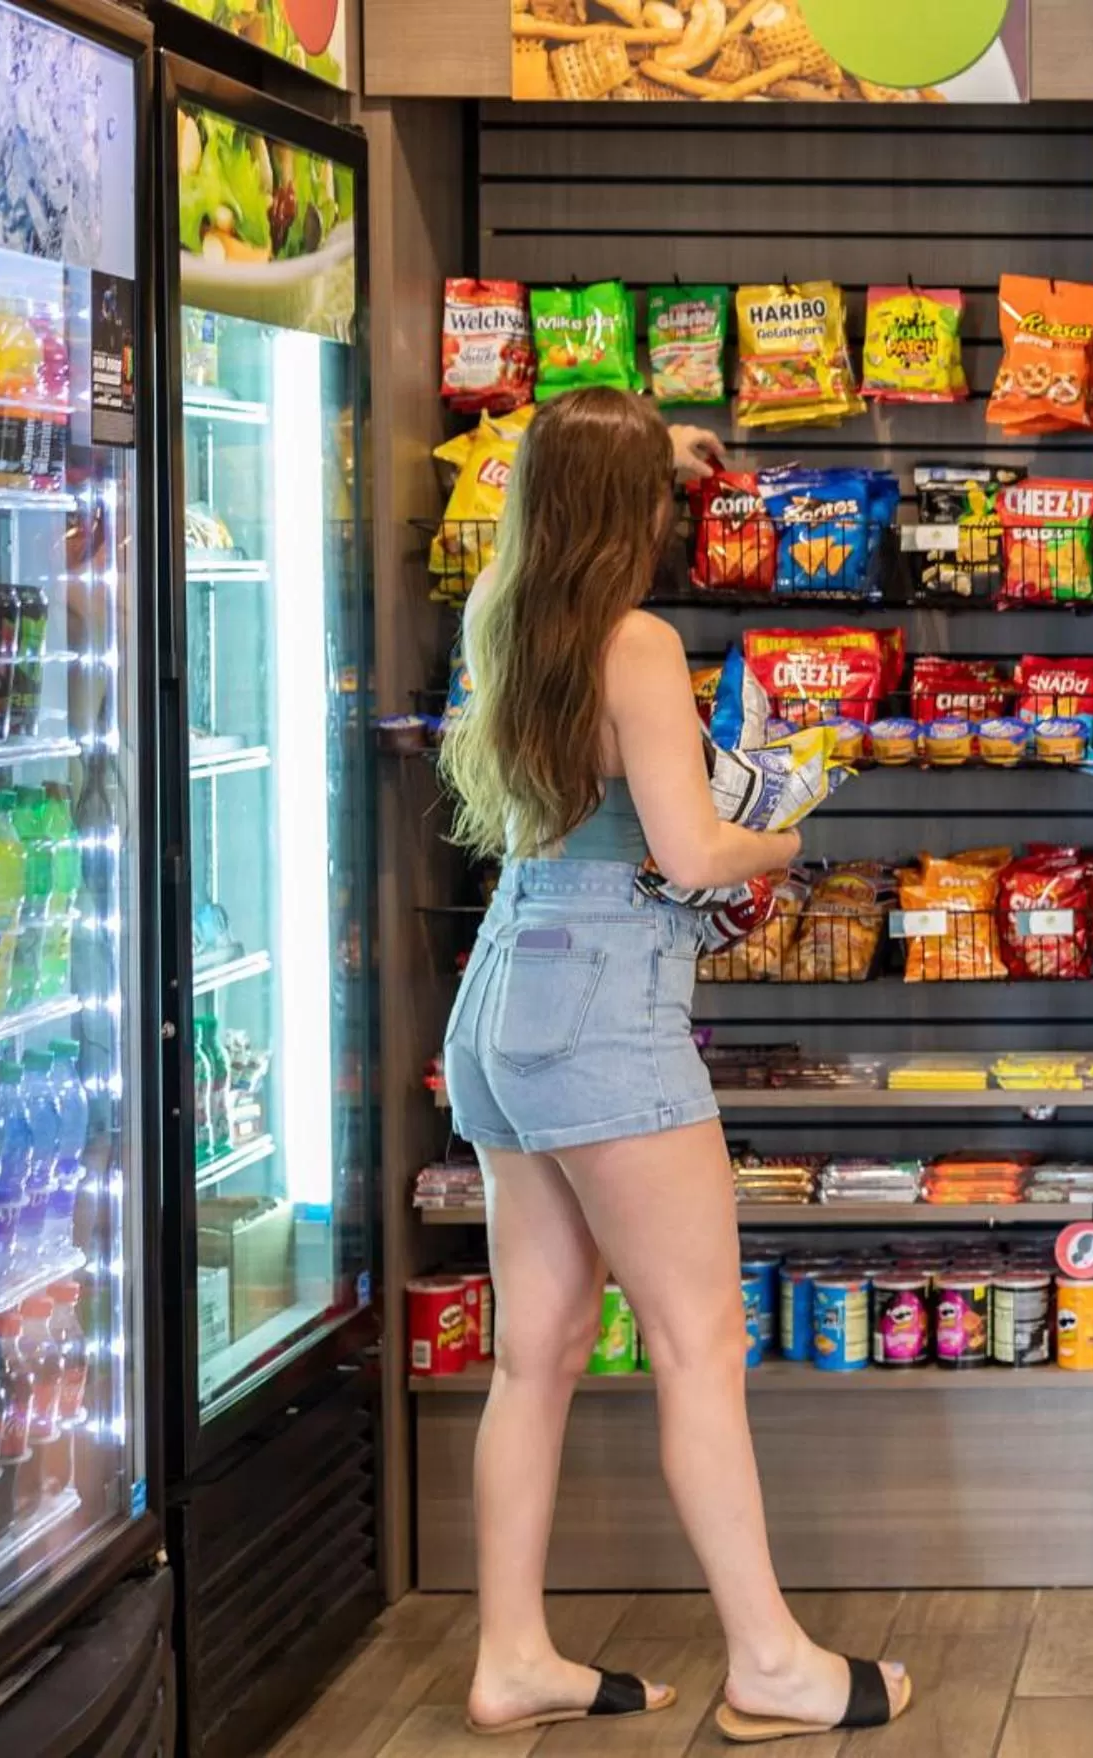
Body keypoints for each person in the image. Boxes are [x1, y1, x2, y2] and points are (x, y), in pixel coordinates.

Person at [437, 387, 912, 1744]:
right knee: (701, 1345)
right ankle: (771, 1660)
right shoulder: (635, 643)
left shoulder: (505, 610)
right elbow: (695, 856)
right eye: (658, 493)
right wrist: (785, 828)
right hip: (609, 1009)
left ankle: (511, 1654)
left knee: (535, 1356)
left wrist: (654, 451)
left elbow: (560, 475)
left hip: (504, 994)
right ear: (633, 510)